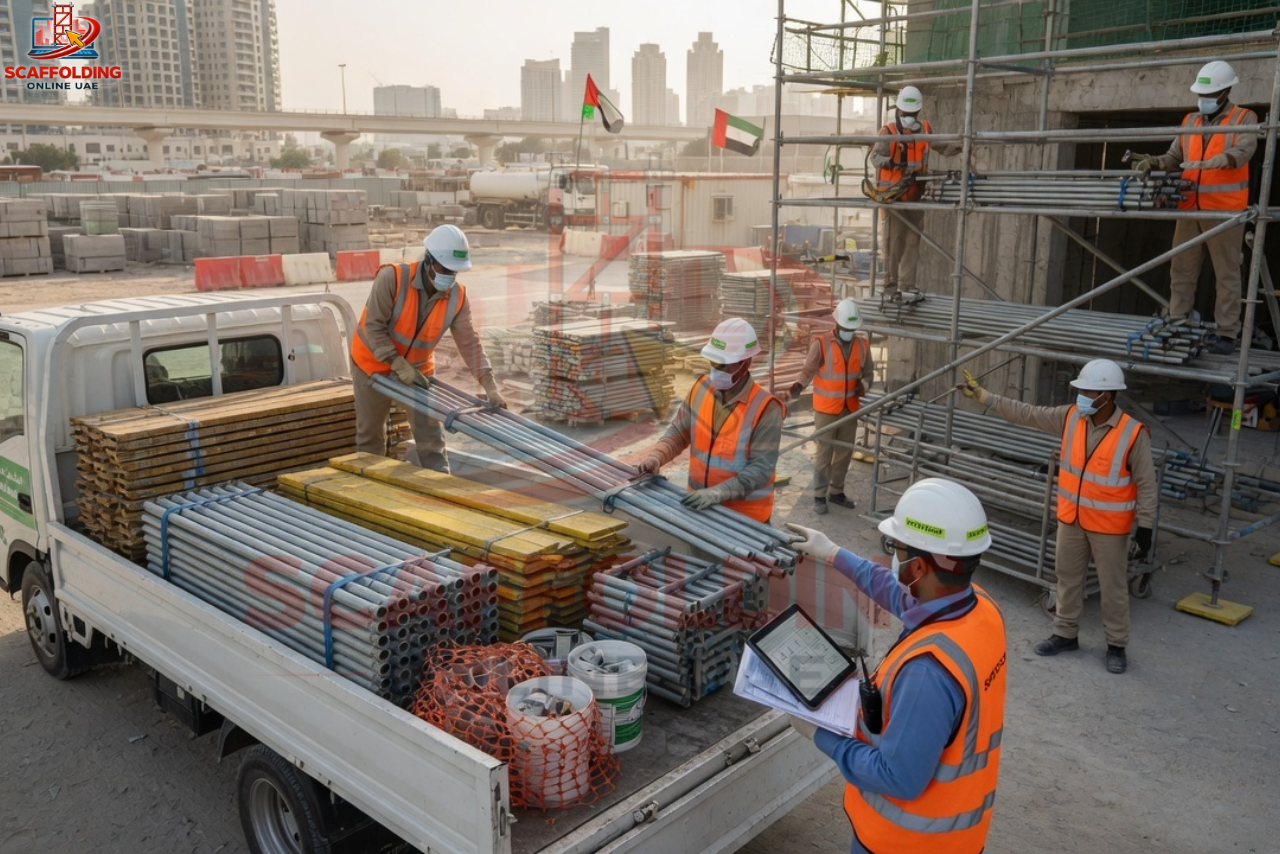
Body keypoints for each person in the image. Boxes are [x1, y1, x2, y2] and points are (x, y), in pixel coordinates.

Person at [785, 477, 1006, 854]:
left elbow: (897, 777)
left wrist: (819, 734)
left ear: (917, 567)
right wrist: (834, 553)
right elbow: (900, 594)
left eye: (896, 548)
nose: (892, 557)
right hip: (956, 836)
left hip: (906, 844)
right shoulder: (980, 610)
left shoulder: (928, 674)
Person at [958, 359, 1156, 674]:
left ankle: (1116, 645)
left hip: (1109, 528)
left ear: (1106, 396)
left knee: (1113, 588)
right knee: (1067, 578)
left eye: (1087, 391)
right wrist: (984, 396)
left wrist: (1145, 528)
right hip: (1071, 519)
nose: (1081, 396)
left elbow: (1146, 484)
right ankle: (1065, 633)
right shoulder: (1071, 416)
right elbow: (1027, 413)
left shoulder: (1133, 434)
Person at [349, 224, 504, 472]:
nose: (450, 276)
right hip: (371, 365)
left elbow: (470, 343)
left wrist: (489, 384)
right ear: (429, 261)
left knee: (430, 437)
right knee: (370, 437)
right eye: (445, 269)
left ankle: (440, 481)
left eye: (454, 271)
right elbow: (373, 328)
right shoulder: (392, 279)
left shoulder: (457, 297)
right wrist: (397, 364)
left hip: (417, 372)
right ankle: (369, 483)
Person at [1131, 61, 1257, 356]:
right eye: (1202, 94)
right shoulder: (1190, 121)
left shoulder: (1244, 117)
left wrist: (1213, 162)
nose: (1204, 99)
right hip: (1189, 209)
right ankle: (1178, 321)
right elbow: (1174, 157)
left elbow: (1242, 152)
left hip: (1224, 212)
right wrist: (1153, 162)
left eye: (1210, 94)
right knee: (1181, 270)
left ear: (1226, 92)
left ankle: (1227, 333)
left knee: (1226, 274)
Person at [637, 318, 784, 522]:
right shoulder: (701, 388)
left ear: (745, 363)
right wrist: (657, 456)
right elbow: (679, 432)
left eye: (723, 364)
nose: (716, 369)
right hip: (699, 508)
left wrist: (718, 493)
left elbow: (760, 469)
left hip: (745, 520)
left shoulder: (766, 408)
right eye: (714, 362)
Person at [867, 85, 960, 301]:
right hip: (893, 197)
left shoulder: (925, 129)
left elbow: (941, 146)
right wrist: (891, 162)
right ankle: (891, 285)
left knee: (912, 241)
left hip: (915, 194)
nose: (909, 117)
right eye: (908, 113)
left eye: (912, 113)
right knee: (894, 241)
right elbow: (874, 157)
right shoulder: (889, 132)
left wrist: (961, 146)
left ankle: (907, 284)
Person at [790, 297, 874, 515]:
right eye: (846, 328)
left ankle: (837, 492)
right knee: (824, 454)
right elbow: (808, 371)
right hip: (826, 409)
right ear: (837, 324)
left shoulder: (862, 345)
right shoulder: (821, 344)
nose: (849, 332)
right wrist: (797, 386)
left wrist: (863, 386)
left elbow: (868, 373)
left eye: (852, 329)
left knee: (844, 453)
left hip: (850, 407)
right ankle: (819, 495)